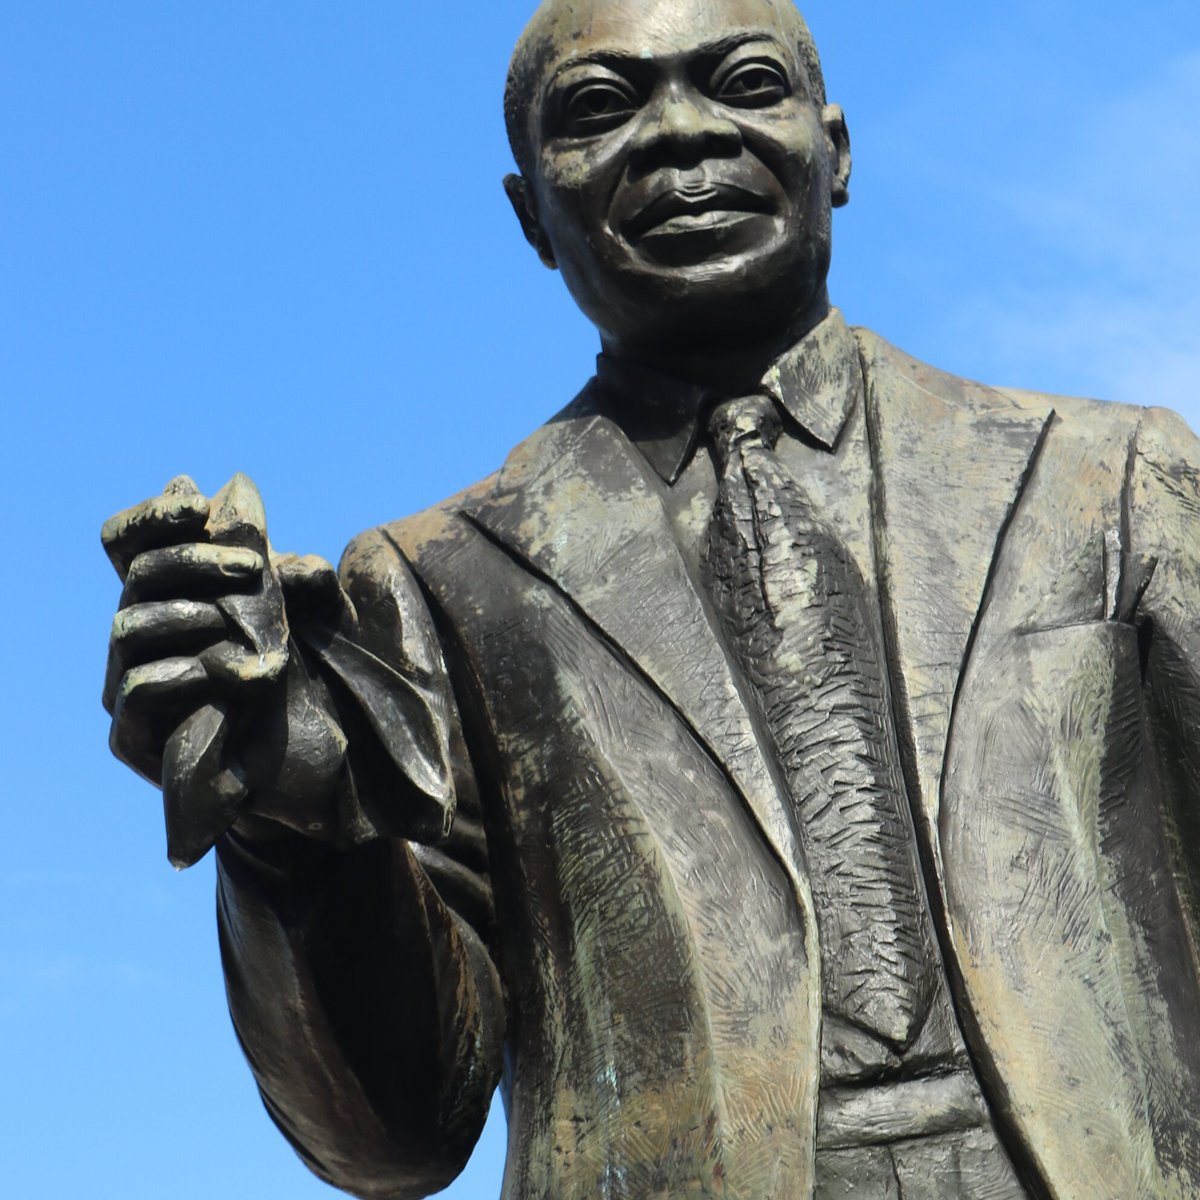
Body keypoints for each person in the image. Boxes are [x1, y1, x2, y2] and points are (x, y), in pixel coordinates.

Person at [102, 1, 1200, 1196]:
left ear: (834, 150)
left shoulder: (1112, 481)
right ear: (531, 210)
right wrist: (298, 829)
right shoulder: (435, 578)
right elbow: (394, 1134)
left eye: (741, 82)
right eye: (600, 108)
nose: (681, 134)